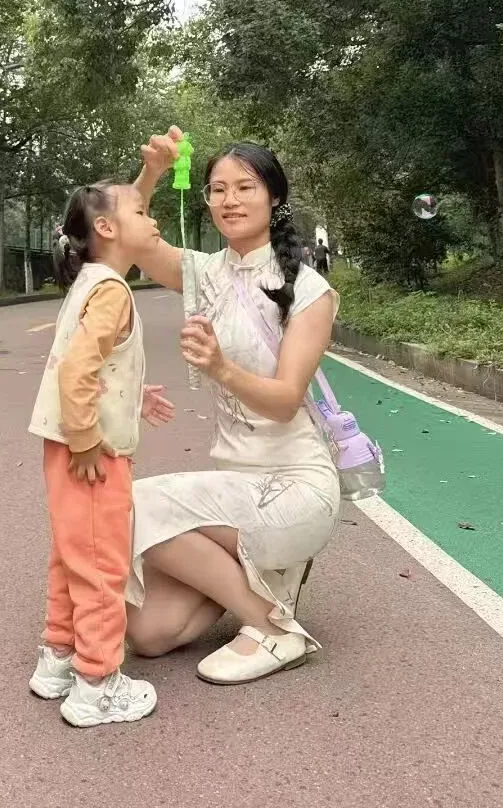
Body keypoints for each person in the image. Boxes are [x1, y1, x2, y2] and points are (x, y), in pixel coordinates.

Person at [125, 130, 341, 685]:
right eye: (218, 189)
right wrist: (151, 173)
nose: (230, 200)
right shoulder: (204, 273)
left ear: (274, 196)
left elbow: (285, 401)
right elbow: (130, 237)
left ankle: (272, 625)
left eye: (245, 187)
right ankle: (262, 575)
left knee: (133, 504)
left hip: (294, 487)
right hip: (233, 488)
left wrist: (221, 368)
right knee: (150, 634)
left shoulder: (309, 291)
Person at [27, 180, 175, 727]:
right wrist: (88, 438)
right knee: (102, 563)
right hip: (91, 452)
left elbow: (97, 364)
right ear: (108, 228)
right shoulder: (112, 290)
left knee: (72, 553)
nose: (152, 218)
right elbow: (76, 369)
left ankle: (59, 657)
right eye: (142, 210)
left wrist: (134, 395)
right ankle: (97, 683)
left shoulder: (90, 280)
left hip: (63, 445)